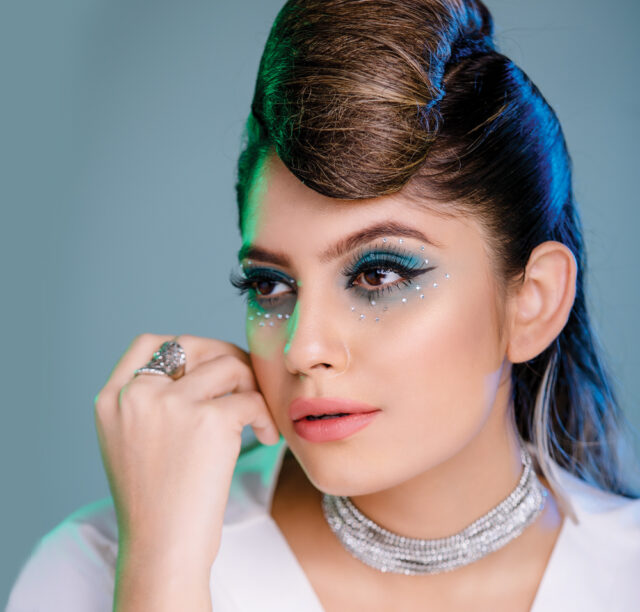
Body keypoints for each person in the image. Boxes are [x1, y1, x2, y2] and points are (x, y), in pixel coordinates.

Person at [6, 0, 640, 610]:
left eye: (378, 275)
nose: (302, 349)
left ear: (533, 302)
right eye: (270, 286)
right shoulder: (100, 566)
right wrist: (160, 568)